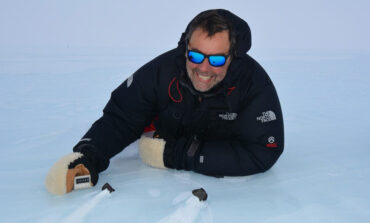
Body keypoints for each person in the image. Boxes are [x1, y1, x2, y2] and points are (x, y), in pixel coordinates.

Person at [45, 9, 284, 195]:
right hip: (170, 128)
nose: (203, 67)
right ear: (186, 48)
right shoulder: (163, 71)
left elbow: (263, 151)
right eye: (196, 55)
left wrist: (172, 156)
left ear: (234, 56)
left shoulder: (254, 86)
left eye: (217, 60)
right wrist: (89, 154)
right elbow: (122, 117)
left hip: (213, 152)